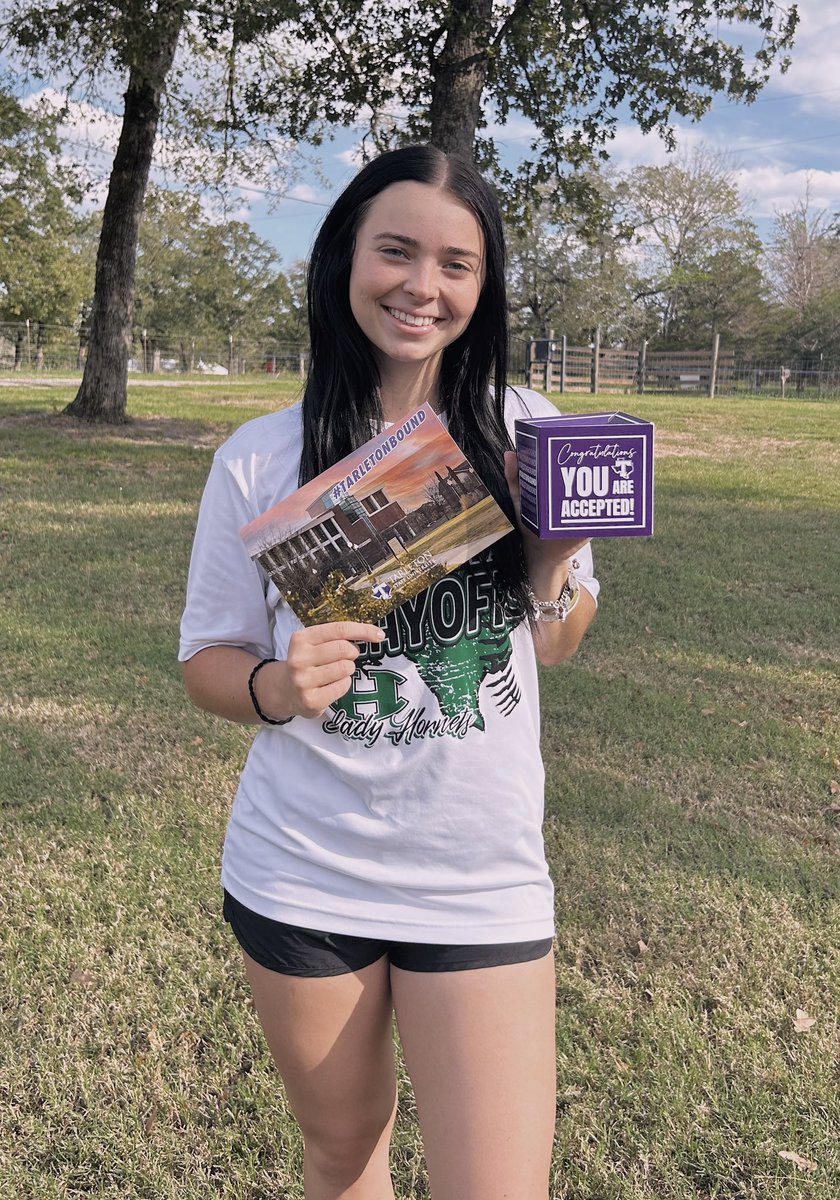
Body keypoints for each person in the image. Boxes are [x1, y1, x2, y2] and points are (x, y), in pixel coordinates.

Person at [179, 144, 599, 1200]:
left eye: (457, 263)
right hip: (302, 873)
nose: (424, 285)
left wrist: (548, 561)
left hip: (480, 875)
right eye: (397, 251)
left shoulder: (527, 433)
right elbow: (206, 662)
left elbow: (557, 639)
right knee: (343, 1154)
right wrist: (278, 685)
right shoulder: (260, 456)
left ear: (484, 285)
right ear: (344, 260)